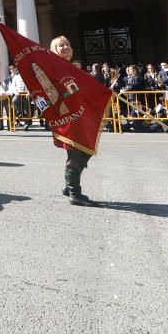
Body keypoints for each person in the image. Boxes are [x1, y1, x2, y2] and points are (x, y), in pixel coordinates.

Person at [49, 35, 98, 206]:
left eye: (67, 44)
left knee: (88, 149)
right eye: (61, 45)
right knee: (76, 152)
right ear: (54, 49)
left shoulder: (72, 68)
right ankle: (75, 193)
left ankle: (68, 185)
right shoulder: (53, 68)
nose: (65, 47)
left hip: (80, 115)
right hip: (67, 117)